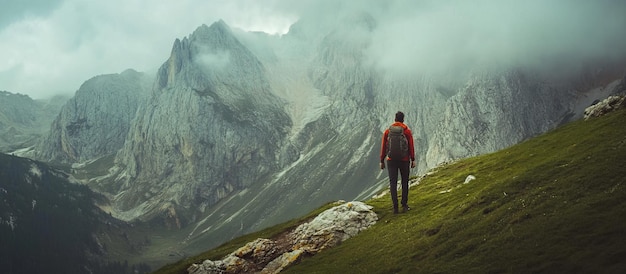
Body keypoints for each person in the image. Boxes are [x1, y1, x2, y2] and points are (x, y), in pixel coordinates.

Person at [380, 111, 416, 214]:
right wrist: (413, 159)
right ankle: (404, 205)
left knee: (393, 183)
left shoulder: (388, 132)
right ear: (403, 119)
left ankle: (395, 207)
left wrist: (382, 160)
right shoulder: (407, 132)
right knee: (405, 182)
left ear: (395, 119)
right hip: (404, 160)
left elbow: (383, 147)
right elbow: (411, 147)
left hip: (391, 160)